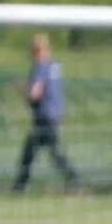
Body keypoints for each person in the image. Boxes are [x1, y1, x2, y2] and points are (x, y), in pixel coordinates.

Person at [12, 33, 78, 193]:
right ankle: (21, 185)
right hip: (54, 113)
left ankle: (73, 179)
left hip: (43, 115)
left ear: (36, 50)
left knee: (43, 151)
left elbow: (35, 93)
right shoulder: (54, 66)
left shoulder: (40, 66)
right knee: (40, 150)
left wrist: (21, 88)